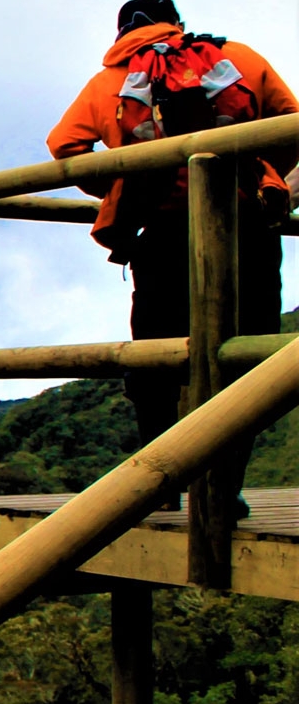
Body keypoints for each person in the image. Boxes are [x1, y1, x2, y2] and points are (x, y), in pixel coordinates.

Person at [47, 0, 297, 512]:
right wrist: (274, 180)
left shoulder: (109, 82)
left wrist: (121, 188)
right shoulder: (240, 58)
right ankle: (224, 491)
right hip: (242, 224)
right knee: (246, 356)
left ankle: (160, 487)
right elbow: (292, 124)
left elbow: (65, 145)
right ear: (177, 23)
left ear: (121, 32)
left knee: (155, 356)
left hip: (162, 231)